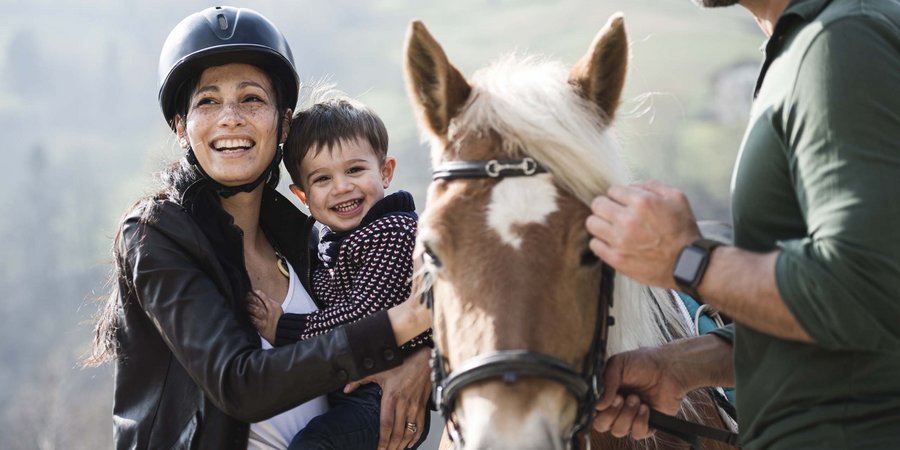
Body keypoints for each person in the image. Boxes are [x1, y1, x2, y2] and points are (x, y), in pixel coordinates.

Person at [84, 6, 431, 450]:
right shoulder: (157, 235)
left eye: (251, 99)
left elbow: (371, 330)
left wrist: (420, 358)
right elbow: (238, 385)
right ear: (181, 127)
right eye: (207, 101)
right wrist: (401, 326)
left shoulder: (307, 239)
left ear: (283, 122)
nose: (231, 117)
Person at [586, 0, 900, 448]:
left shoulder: (843, 41)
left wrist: (687, 260)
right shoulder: (813, 45)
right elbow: (838, 318)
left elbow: (868, 289)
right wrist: (682, 367)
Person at [247, 97, 431, 449]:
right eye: (322, 179)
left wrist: (284, 329)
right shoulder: (327, 243)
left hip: (380, 397)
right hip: (348, 389)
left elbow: (366, 317)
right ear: (302, 195)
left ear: (386, 171)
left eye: (355, 170)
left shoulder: (394, 232)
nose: (342, 187)